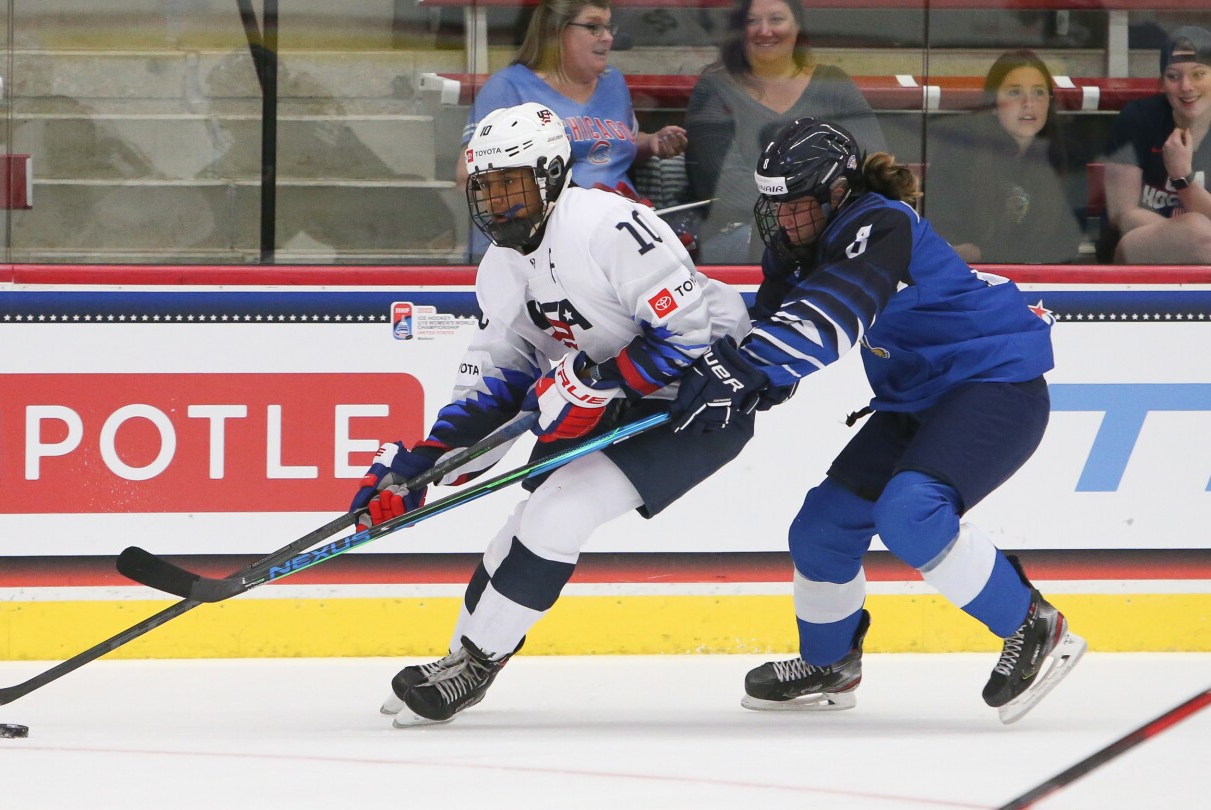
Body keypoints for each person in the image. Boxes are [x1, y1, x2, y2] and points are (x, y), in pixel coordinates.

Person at [672, 117, 1086, 723]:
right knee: (820, 530)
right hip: (915, 401)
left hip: (994, 386)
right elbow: (765, 338)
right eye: (775, 206)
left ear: (837, 191)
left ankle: (1032, 624)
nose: (783, 220)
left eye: (796, 206)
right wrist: (725, 382)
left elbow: (832, 317)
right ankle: (829, 663)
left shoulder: (878, 222)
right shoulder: (795, 249)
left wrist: (749, 371)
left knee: (910, 512)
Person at [354, 102, 753, 728]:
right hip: (611, 399)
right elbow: (498, 384)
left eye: (510, 185)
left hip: (696, 402)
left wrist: (595, 380)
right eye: (484, 188)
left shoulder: (607, 228)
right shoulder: (499, 269)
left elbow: (690, 337)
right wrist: (422, 467)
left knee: (557, 513)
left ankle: (476, 666)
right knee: (522, 526)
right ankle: (461, 656)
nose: (495, 203)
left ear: (550, 175)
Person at [459, 0, 689, 260]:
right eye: (593, 27)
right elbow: (467, 174)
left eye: (608, 27)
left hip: (620, 235)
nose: (608, 37)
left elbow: (614, 144)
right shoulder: (508, 86)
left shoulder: (613, 82)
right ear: (554, 31)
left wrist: (650, 143)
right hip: (540, 244)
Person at [683, 0, 886, 263]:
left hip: (833, 224)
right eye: (751, 21)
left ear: (797, 26)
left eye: (776, 19)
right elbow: (725, 189)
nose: (764, 31)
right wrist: (803, 214)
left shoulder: (833, 84)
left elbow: (871, 162)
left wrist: (820, 217)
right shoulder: (712, 91)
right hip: (744, 234)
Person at [924, 49, 1085, 264]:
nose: (1029, 103)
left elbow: (1066, 243)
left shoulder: (1065, 155)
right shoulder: (958, 153)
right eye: (1014, 92)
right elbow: (944, 236)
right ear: (993, 103)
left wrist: (985, 254)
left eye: (1038, 92)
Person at [1100, 25, 1211, 264]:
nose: (1186, 86)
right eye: (1173, 76)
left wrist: (1183, 179)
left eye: (1198, 74)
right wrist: (1186, 236)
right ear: (1161, 83)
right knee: (1197, 233)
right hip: (1132, 254)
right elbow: (1123, 217)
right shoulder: (1138, 118)